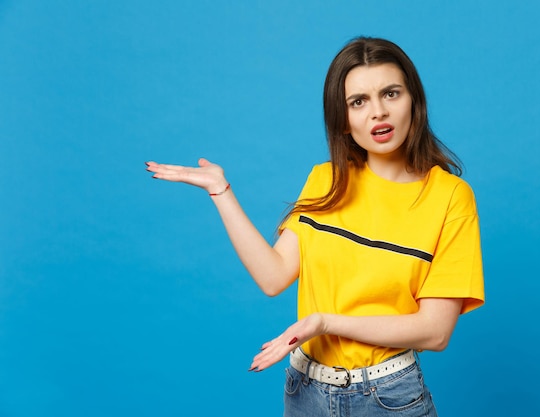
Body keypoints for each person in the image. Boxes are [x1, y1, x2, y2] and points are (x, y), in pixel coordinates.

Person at [146, 37, 484, 417]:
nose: (378, 113)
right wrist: (221, 191)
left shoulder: (450, 196)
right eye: (358, 101)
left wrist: (324, 322)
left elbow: (435, 332)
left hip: (388, 399)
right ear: (342, 120)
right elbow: (273, 277)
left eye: (391, 93)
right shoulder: (326, 181)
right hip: (305, 392)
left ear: (414, 102)